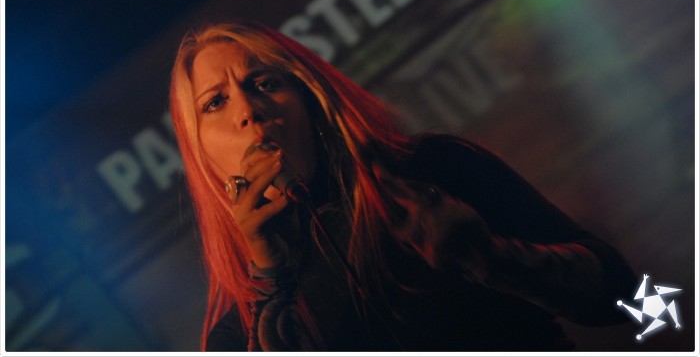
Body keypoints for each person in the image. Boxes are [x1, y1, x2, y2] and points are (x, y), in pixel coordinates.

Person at [169, 19, 636, 351]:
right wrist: (271, 280)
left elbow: (634, 298)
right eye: (215, 103)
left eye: (265, 83)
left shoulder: (433, 170)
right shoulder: (236, 336)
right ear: (202, 155)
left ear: (308, 98)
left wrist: (494, 258)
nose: (248, 111)